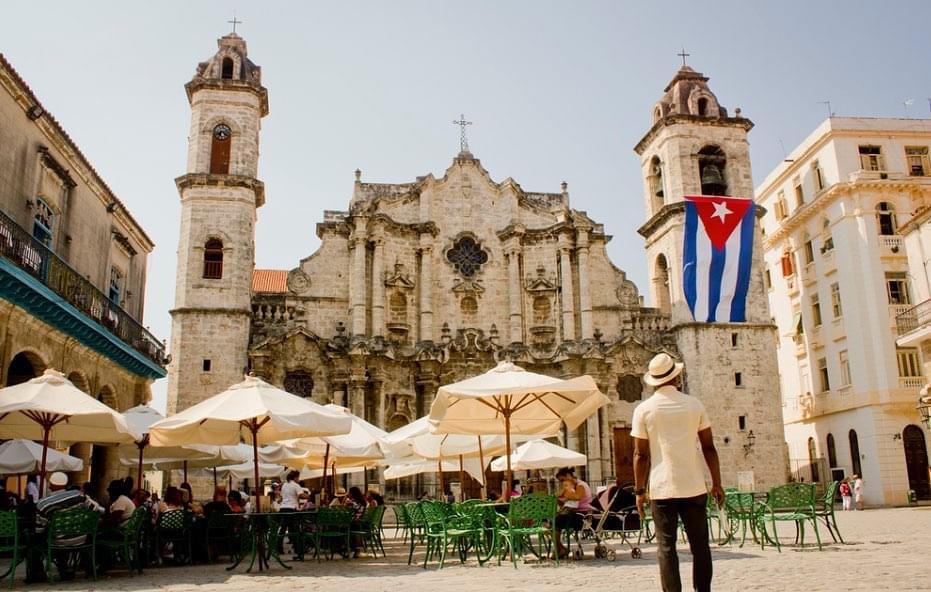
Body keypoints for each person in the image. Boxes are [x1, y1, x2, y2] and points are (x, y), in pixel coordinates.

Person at [632, 353, 724, 592]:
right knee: (700, 545)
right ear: (677, 376)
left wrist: (640, 491)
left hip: (662, 487)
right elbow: (709, 447)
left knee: (666, 547)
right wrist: (717, 483)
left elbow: (641, 455)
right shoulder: (694, 405)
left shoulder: (644, 410)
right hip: (693, 485)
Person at [554, 467, 593, 558]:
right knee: (554, 522)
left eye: (562, 480)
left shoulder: (580, 485)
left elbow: (577, 497)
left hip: (582, 515)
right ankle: (560, 548)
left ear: (568, 476)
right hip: (575, 514)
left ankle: (560, 549)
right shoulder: (572, 486)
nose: (562, 483)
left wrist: (564, 493)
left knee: (555, 522)